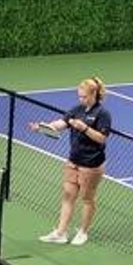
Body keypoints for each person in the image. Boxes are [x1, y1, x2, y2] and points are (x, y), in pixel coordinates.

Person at [28, 76, 112, 246]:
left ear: (93, 94)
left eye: (84, 97)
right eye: (79, 96)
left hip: (91, 164)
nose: (81, 99)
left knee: (87, 199)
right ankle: (61, 233)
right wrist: (44, 127)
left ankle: (83, 232)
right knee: (68, 195)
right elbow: (61, 123)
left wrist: (85, 128)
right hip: (73, 161)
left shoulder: (102, 114)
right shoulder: (77, 108)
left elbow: (102, 138)